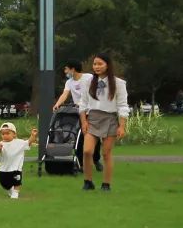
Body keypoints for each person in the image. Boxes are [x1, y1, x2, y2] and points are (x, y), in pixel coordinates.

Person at [79, 53, 129, 192]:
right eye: (95, 64)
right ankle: (88, 182)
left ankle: (106, 184)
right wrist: (84, 121)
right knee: (87, 151)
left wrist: (122, 126)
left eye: (100, 64)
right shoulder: (88, 82)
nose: (97, 67)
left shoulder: (118, 83)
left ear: (107, 65)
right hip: (92, 118)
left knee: (106, 153)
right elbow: (83, 103)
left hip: (110, 119)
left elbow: (123, 105)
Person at [54, 60, 101, 170]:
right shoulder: (69, 82)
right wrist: (57, 104)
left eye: (66, 69)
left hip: (92, 111)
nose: (65, 71)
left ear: (73, 69)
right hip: (80, 113)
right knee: (80, 137)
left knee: (94, 137)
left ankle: (96, 160)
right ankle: (80, 163)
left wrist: (83, 102)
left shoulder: (88, 78)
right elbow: (65, 94)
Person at [0, 122, 38, 199]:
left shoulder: (19, 142)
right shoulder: (1, 144)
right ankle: (10, 189)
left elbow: (28, 142)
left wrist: (33, 135)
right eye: (3, 134)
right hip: (3, 169)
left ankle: (15, 193)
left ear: (14, 134)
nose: (5, 135)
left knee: (16, 181)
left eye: (7, 133)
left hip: (16, 168)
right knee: (3, 182)